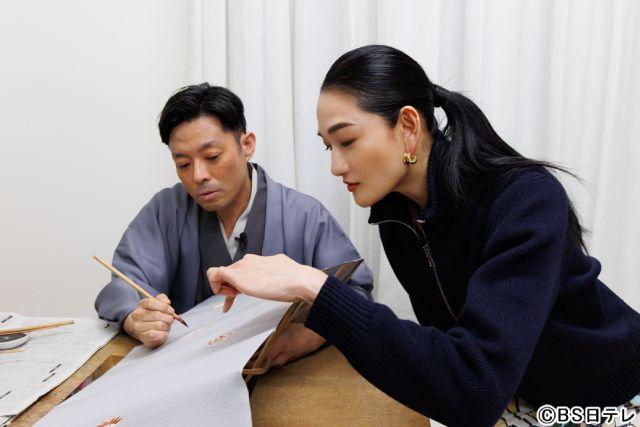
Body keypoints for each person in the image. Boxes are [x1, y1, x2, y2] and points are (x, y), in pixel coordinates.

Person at [207, 45, 640, 426]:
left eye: (348, 141)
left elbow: (473, 387)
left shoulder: (525, 199)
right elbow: (453, 359)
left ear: (408, 127)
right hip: (518, 395)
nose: (336, 166)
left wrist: (314, 286)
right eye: (327, 147)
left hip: (607, 398)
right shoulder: (399, 217)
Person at [95, 83, 374, 368]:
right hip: (190, 370)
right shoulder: (165, 211)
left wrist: (305, 337)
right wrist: (136, 316)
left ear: (247, 145)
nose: (199, 175)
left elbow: (354, 292)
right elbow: (124, 284)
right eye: (183, 164)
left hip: (284, 375)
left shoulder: (304, 215)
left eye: (212, 157)